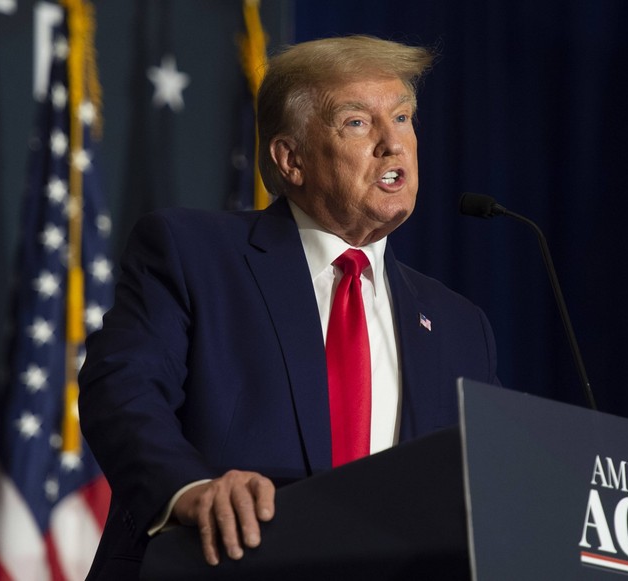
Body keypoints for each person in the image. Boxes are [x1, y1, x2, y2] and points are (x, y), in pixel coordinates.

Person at [79, 35, 500, 580]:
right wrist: (190, 489)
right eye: (357, 123)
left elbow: (481, 497)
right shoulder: (194, 254)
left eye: (401, 118)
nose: (393, 145)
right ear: (291, 158)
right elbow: (122, 389)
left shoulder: (460, 326)